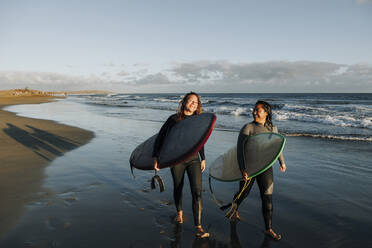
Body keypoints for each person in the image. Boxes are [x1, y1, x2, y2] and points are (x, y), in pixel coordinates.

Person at [152, 92, 209, 238]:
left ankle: (198, 225)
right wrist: (156, 157)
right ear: (184, 102)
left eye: (196, 102)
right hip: (176, 159)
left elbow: (200, 141)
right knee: (178, 187)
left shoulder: (198, 120)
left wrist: (203, 158)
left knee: (197, 191)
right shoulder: (173, 119)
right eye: (190, 101)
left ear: (198, 106)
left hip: (193, 159)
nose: (193, 104)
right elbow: (160, 138)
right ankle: (179, 213)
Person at [231, 100, 286, 241]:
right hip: (249, 168)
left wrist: (282, 162)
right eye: (254, 110)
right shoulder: (248, 127)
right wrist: (243, 168)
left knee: (267, 198)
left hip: (266, 167)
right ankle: (234, 208)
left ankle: (268, 228)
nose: (254, 112)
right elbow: (239, 151)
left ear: (266, 113)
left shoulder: (273, 128)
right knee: (244, 194)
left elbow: (277, 147)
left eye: (258, 110)